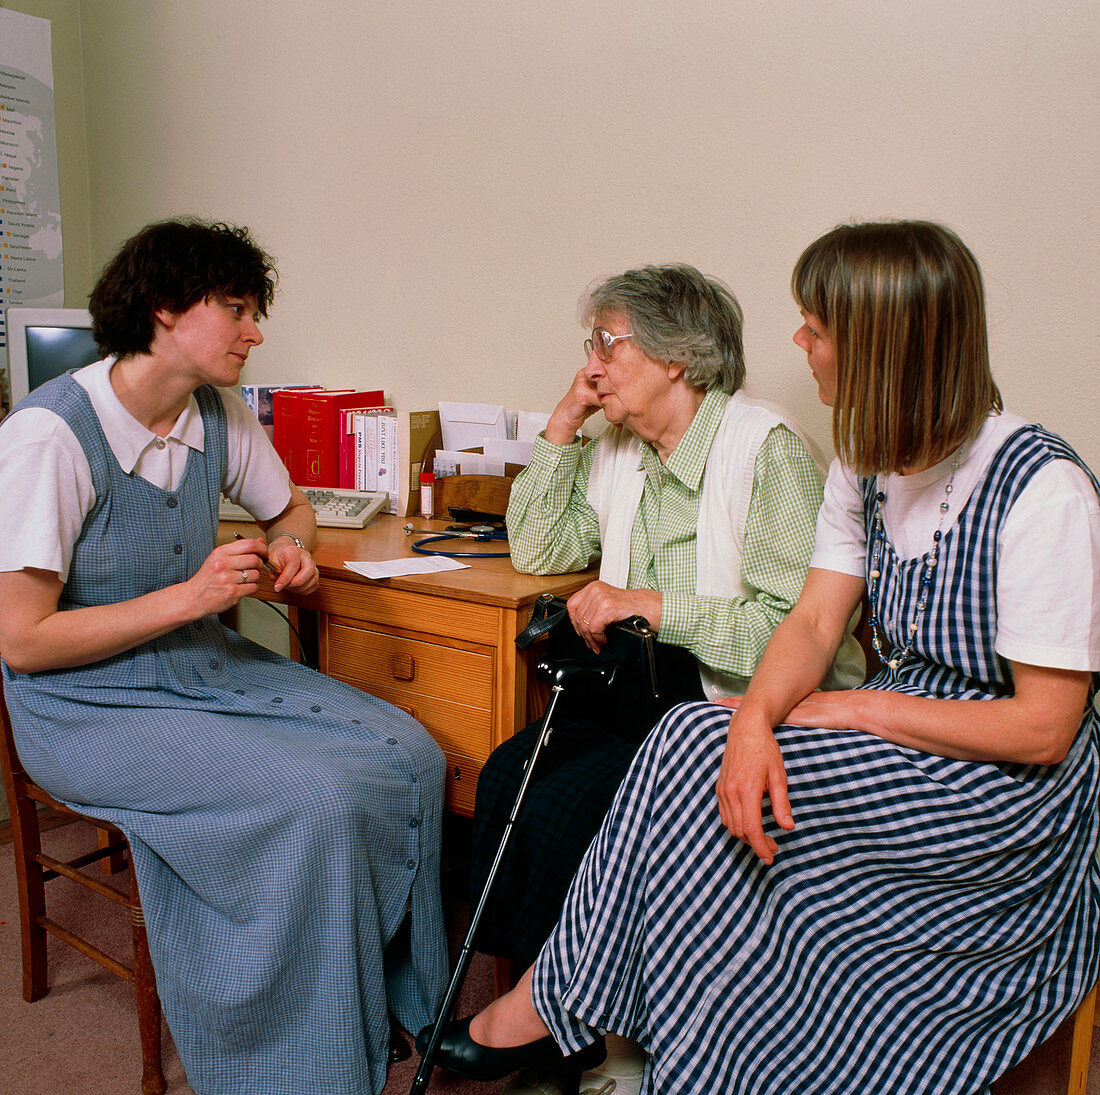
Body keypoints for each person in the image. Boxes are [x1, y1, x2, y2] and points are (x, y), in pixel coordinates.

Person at [424, 221, 1100, 1095]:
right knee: (689, 742)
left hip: (1001, 789)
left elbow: (1046, 728)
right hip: (897, 734)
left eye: (816, 327)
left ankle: (559, 1009)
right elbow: (817, 622)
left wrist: (850, 710)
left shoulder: (1044, 490)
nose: (800, 343)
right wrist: (749, 719)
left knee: (687, 770)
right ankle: (635, 1031)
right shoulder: (869, 466)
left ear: (882, 344)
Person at [0, 218, 447, 1095]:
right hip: (85, 704)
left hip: (199, 663)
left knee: (413, 754)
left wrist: (294, 550)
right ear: (166, 310)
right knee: (316, 797)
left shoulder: (217, 409)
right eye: (238, 309)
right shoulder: (49, 436)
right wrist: (194, 597)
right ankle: (307, 1058)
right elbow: (21, 639)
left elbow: (291, 512)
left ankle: (407, 997)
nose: (256, 330)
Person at [468, 263, 862, 1093]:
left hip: (738, 702)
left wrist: (650, 602)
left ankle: (619, 1045)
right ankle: (555, 1022)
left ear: (677, 358)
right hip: (638, 693)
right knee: (512, 774)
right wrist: (563, 424)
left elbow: (789, 633)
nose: (592, 365)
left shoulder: (767, 447)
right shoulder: (622, 445)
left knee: (587, 804)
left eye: (608, 345)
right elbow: (539, 549)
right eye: (591, 347)